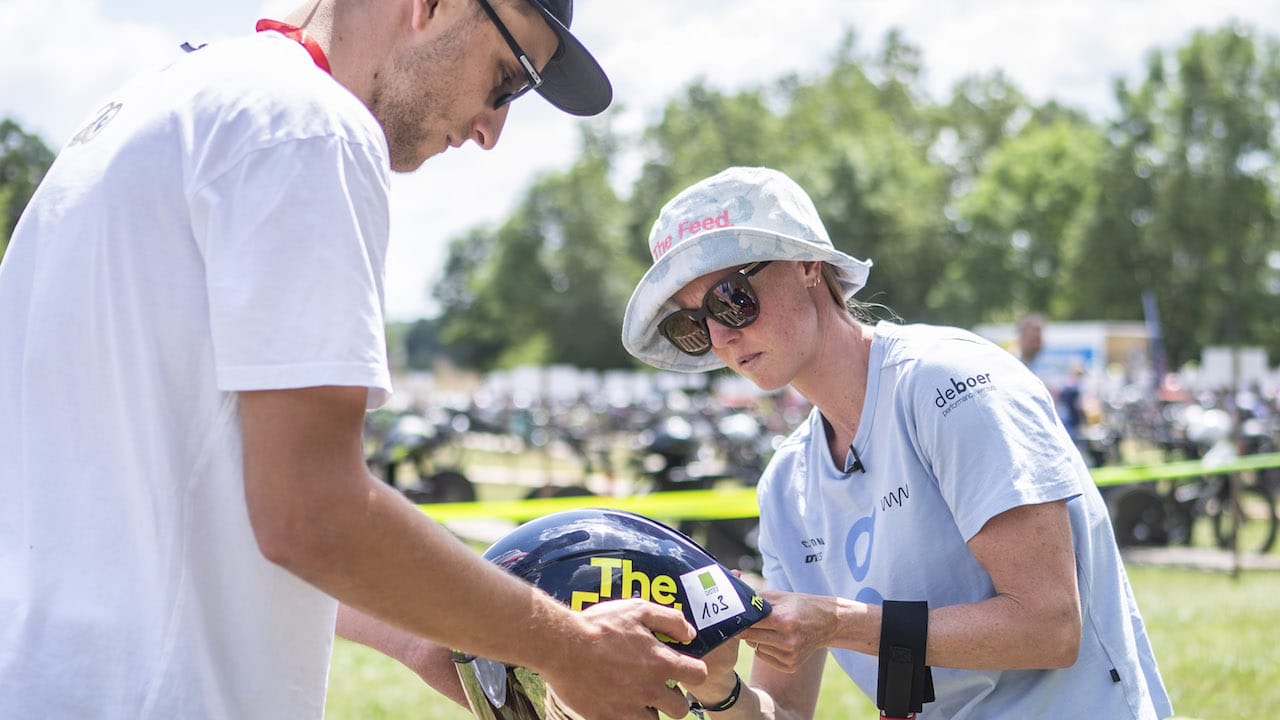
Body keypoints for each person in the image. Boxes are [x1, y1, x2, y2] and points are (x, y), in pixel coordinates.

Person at [0, 2, 708, 718]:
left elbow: (215, 504)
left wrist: (420, 639)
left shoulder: (143, 110)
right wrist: (568, 647)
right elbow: (311, 513)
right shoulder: (309, 127)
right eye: (507, 79)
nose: (491, 130)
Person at [621, 166, 1172, 718]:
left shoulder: (950, 384)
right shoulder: (787, 484)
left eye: (730, 298)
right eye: (691, 323)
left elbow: (1049, 624)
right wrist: (720, 688)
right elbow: (786, 711)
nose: (720, 335)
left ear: (808, 264)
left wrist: (837, 623)